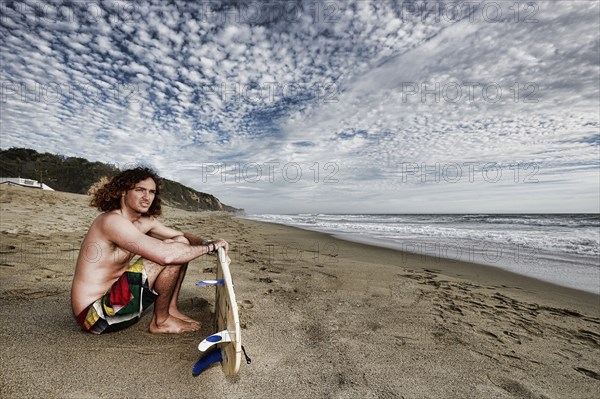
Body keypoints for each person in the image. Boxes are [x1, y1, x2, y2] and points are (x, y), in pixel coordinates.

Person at [71, 167, 228, 334]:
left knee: (179, 243)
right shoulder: (111, 222)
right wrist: (211, 248)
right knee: (167, 253)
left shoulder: (145, 222)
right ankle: (161, 321)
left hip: (122, 305)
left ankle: (170, 309)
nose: (147, 197)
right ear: (123, 192)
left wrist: (207, 242)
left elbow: (183, 236)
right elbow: (165, 257)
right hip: (95, 317)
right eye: (140, 190)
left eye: (152, 192)